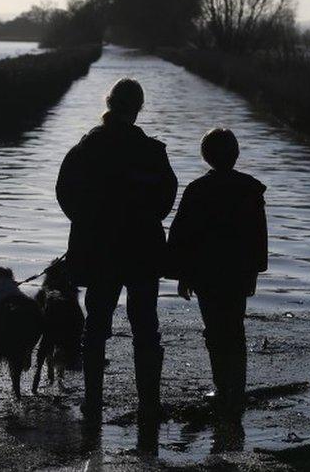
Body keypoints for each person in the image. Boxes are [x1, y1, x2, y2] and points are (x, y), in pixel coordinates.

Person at [56, 78, 177, 423]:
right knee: (145, 327)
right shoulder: (153, 152)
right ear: (138, 109)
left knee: (96, 326)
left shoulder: (85, 148)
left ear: (109, 104)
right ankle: (149, 405)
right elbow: (165, 200)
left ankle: (93, 403)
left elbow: (65, 193)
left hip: (99, 252)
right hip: (142, 251)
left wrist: (86, 223)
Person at [167, 127, 268, 420]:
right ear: (236, 155)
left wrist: (182, 274)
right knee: (235, 328)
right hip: (238, 273)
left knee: (214, 329)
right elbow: (258, 236)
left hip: (206, 274)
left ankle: (222, 387)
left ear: (205, 157)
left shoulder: (197, 190)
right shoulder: (250, 189)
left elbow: (182, 235)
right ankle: (236, 388)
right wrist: (255, 272)